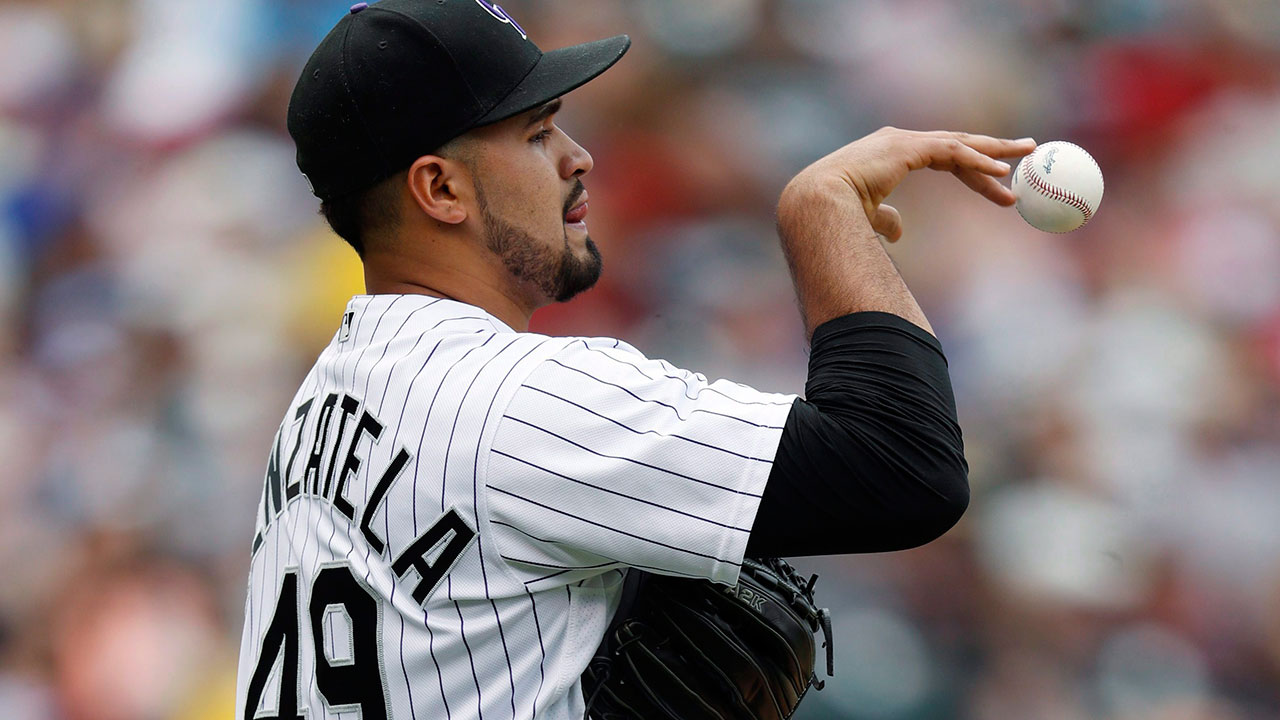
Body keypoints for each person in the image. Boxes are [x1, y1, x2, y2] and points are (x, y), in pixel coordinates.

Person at [234, 1, 1036, 719]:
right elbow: (905, 467)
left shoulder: (312, 416)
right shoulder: (515, 398)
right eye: (537, 132)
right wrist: (821, 217)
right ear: (440, 189)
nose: (578, 157)